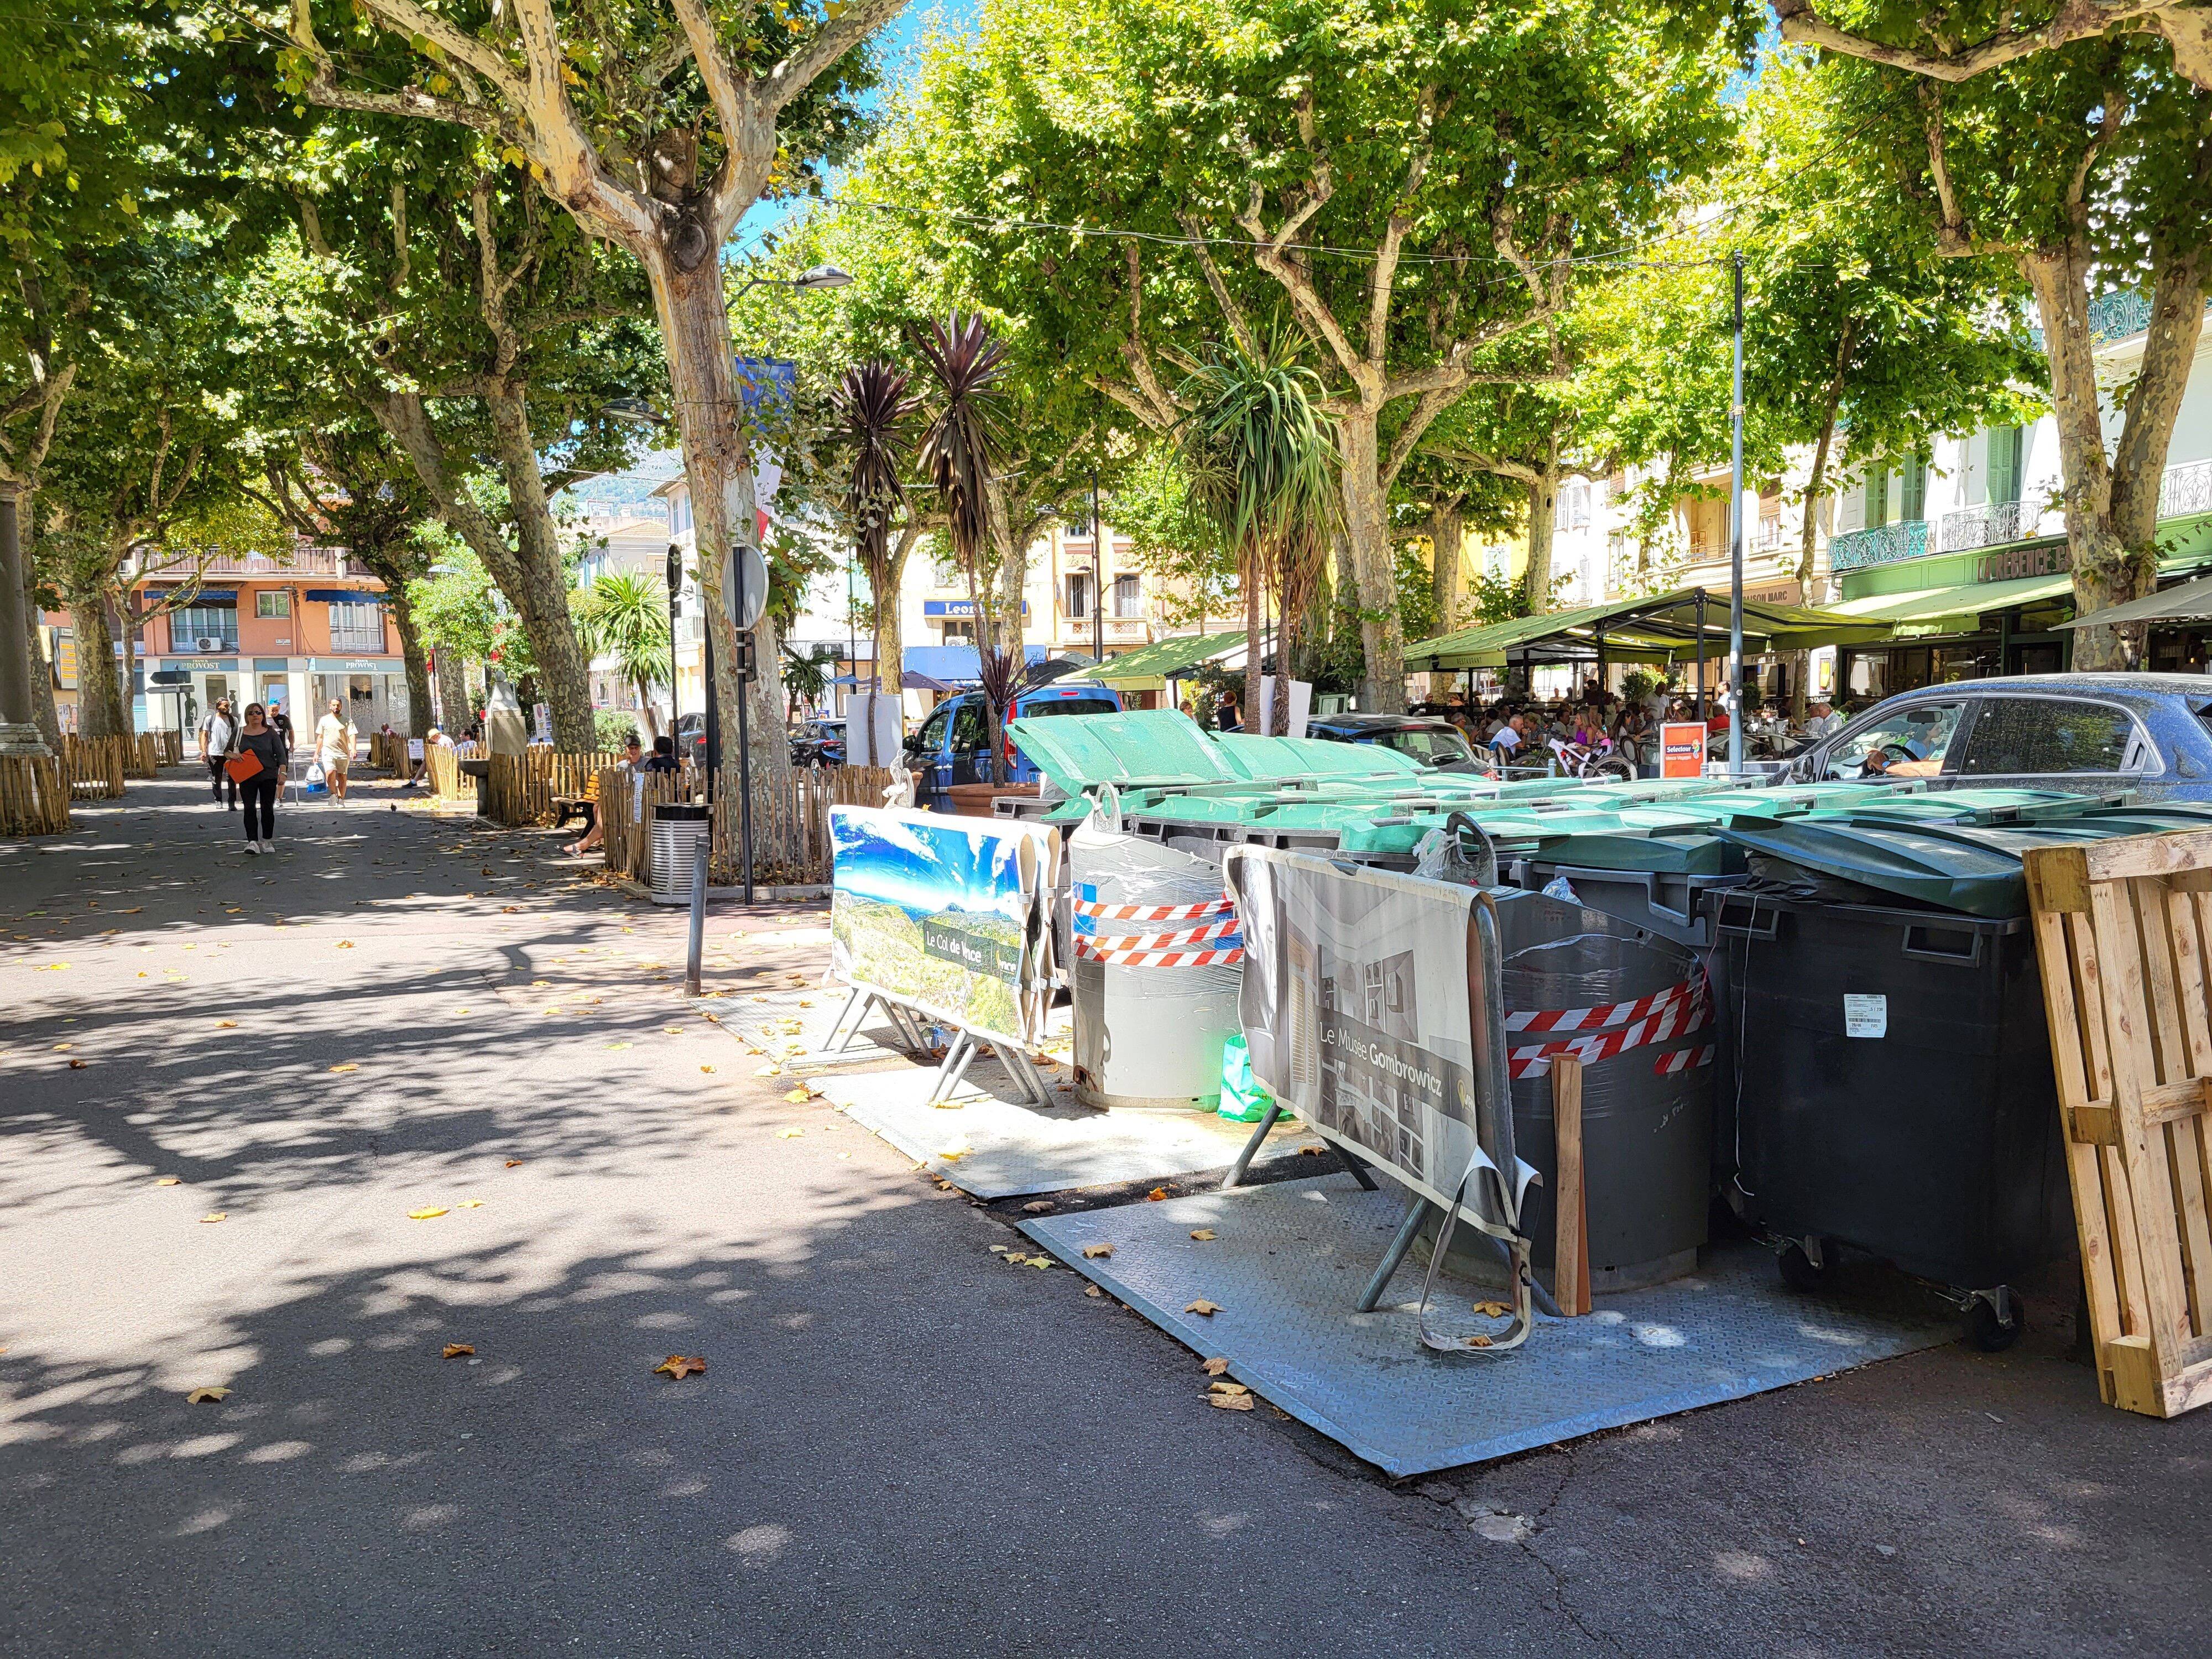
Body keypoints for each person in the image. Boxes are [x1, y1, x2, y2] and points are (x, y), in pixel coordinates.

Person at [566, 734, 647, 857]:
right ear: (626, 749)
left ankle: (584, 844)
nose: (634, 751)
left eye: (636, 748)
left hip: (637, 802)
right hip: (622, 800)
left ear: (640, 749)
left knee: (603, 813)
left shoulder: (646, 763)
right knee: (597, 807)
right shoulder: (621, 766)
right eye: (631, 748)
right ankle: (599, 837)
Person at [234, 702, 288, 854]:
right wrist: (233, 755)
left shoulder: (270, 733)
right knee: (249, 808)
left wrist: (283, 773)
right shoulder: (239, 733)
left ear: (263, 715)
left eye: (258, 712)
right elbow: (227, 751)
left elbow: (281, 755)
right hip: (247, 776)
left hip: (268, 776)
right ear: (246, 716)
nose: (255, 715)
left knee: (267, 809)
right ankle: (252, 842)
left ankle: (267, 841)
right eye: (251, 713)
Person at [198, 697, 240, 812]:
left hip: (229, 754)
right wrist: (203, 751)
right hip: (214, 753)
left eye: (229, 706)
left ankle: (232, 803)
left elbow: (237, 737)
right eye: (225, 706)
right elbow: (205, 735)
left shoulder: (234, 720)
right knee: (216, 778)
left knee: (231, 779)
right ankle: (218, 800)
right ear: (218, 706)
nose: (228, 708)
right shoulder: (210, 719)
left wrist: (237, 751)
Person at [314, 697, 357, 805]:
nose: (336, 707)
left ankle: (341, 799)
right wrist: (316, 753)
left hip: (343, 752)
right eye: (334, 705)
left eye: (338, 705)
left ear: (341, 706)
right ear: (330, 706)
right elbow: (320, 737)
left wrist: (354, 749)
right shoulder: (324, 720)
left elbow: (352, 735)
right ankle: (333, 794)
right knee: (330, 773)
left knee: (342, 776)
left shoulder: (348, 720)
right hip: (328, 752)